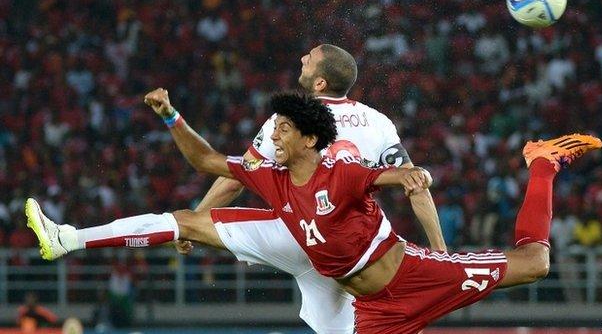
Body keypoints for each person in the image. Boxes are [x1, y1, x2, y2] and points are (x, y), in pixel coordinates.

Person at [28, 91, 602, 333]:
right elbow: (205, 160)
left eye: (279, 129)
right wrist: (170, 115)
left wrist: (408, 175)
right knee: (188, 220)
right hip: (371, 307)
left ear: (306, 137)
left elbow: (390, 177)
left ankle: (542, 162)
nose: (270, 136)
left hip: (410, 275)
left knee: (535, 263)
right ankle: (70, 237)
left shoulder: (342, 172)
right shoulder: (270, 176)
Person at [26, 44, 446, 334]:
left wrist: (199, 218)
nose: (303, 57)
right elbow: (415, 184)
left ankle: (68, 238)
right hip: (350, 253)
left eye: (310, 57)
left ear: (318, 84)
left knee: (182, 223)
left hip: (297, 233)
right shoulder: (379, 122)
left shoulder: (289, 121)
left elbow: (236, 175)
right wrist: (441, 254)